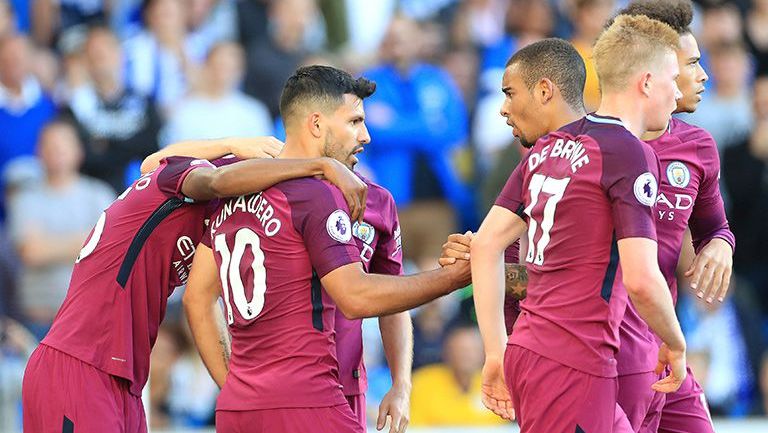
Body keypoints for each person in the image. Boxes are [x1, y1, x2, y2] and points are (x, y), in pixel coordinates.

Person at [182, 65, 471, 433]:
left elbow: (196, 298)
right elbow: (357, 295)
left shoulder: (234, 190)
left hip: (250, 403)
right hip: (313, 395)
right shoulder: (317, 196)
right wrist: (454, 277)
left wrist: (401, 384)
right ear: (316, 125)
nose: (366, 135)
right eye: (354, 122)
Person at [20, 133, 370, 433]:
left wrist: (244, 390)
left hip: (122, 376)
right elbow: (172, 169)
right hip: (80, 364)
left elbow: (204, 298)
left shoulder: (224, 220)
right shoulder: (198, 179)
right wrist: (317, 164)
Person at [471, 16, 688, 433]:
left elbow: (485, 246)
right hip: (572, 359)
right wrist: (675, 343)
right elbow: (642, 280)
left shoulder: (548, 147)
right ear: (646, 82)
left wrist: (497, 351)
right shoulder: (627, 152)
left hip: (539, 349)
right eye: (672, 79)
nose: (677, 93)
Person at [613, 1, 735, 432]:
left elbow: (715, 228)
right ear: (655, 72)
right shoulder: (590, 144)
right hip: (608, 349)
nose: (704, 76)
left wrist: (721, 245)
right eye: (693, 64)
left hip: (665, 345)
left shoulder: (698, 146)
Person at [7, 120, 114, 339]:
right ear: (39, 151)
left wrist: (51, 244)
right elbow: (32, 252)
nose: (56, 152)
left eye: (63, 145)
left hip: (90, 317)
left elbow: (112, 249)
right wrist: (87, 240)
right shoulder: (25, 198)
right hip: (39, 320)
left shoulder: (99, 194)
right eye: (49, 145)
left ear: (78, 151)